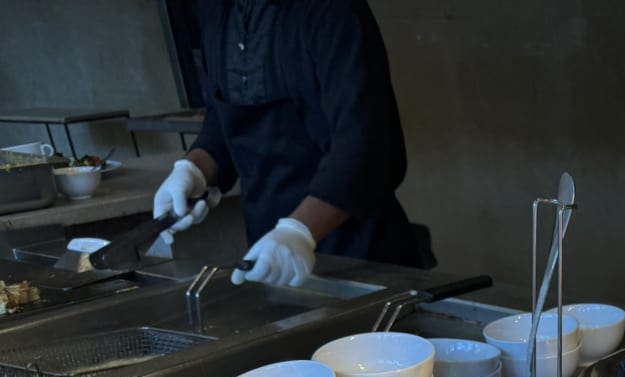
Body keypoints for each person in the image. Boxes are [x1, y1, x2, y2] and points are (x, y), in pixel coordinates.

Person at [152, 0, 427, 288]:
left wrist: (299, 231)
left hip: (361, 254)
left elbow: (363, 144)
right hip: (269, 253)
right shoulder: (215, 11)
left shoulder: (333, 10)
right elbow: (221, 122)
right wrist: (193, 170)